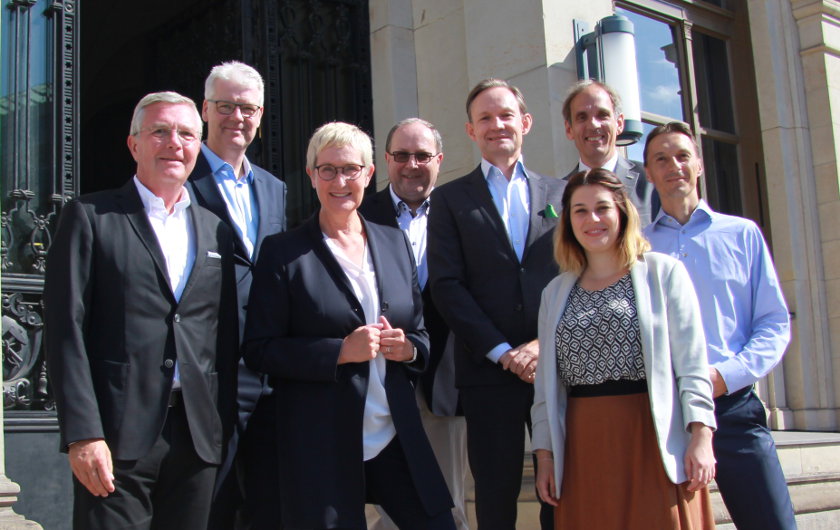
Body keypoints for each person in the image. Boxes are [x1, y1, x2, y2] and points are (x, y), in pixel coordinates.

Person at [242, 122, 456, 529]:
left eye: (351, 169)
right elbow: (260, 348)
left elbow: (422, 333)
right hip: (322, 440)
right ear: (311, 176)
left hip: (395, 433)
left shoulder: (393, 243)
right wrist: (339, 352)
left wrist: (408, 348)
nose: (340, 181)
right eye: (327, 170)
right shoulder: (284, 253)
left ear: (369, 174)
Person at [43, 91, 238, 529]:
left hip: (196, 440)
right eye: (160, 131)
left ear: (198, 147)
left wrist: (220, 427)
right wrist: (82, 433)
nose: (175, 143)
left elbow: (222, 336)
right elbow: (65, 329)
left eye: (187, 134)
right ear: (134, 145)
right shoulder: (90, 217)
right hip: (115, 438)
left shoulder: (216, 231)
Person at [531, 168, 716, 529]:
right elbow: (545, 389)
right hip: (583, 443)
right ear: (567, 221)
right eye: (580, 211)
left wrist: (701, 435)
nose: (592, 219)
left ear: (622, 212)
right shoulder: (554, 293)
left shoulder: (664, 274)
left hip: (651, 435)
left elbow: (692, 364)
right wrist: (545, 455)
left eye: (602, 208)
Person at [643, 121, 796, 529]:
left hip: (734, 408)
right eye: (660, 158)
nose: (672, 165)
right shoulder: (637, 248)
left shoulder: (742, 235)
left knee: (772, 523)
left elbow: (773, 322)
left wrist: (724, 376)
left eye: (681, 155)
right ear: (648, 173)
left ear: (699, 166)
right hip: (665, 413)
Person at [427, 78, 565, 529]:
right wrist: (504, 352)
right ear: (470, 130)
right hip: (488, 373)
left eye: (505, 115)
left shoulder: (562, 197)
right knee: (495, 491)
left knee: (562, 484)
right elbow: (447, 286)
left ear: (525, 123)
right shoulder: (448, 199)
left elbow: (576, 280)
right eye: (484, 117)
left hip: (556, 369)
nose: (496, 125)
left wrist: (543, 344)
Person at [187, 60, 287, 529]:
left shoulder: (274, 188)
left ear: (260, 115)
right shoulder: (180, 180)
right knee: (209, 508)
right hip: (205, 373)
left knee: (268, 506)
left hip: (266, 376)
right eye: (225, 106)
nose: (237, 117)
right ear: (206, 109)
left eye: (247, 108)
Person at [360, 118, 470, 530]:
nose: (411, 165)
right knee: (384, 506)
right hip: (379, 382)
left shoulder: (461, 213)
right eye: (401, 155)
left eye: (422, 156)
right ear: (385, 161)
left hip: (445, 380)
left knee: (448, 499)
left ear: (439, 161)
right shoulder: (359, 214)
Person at [562, 80, 659, 227]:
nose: (593, 124)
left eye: (602, 115)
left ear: (619, 123)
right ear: (569, 129)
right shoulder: (558, 193)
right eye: (582, 117)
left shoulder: (651, 181)